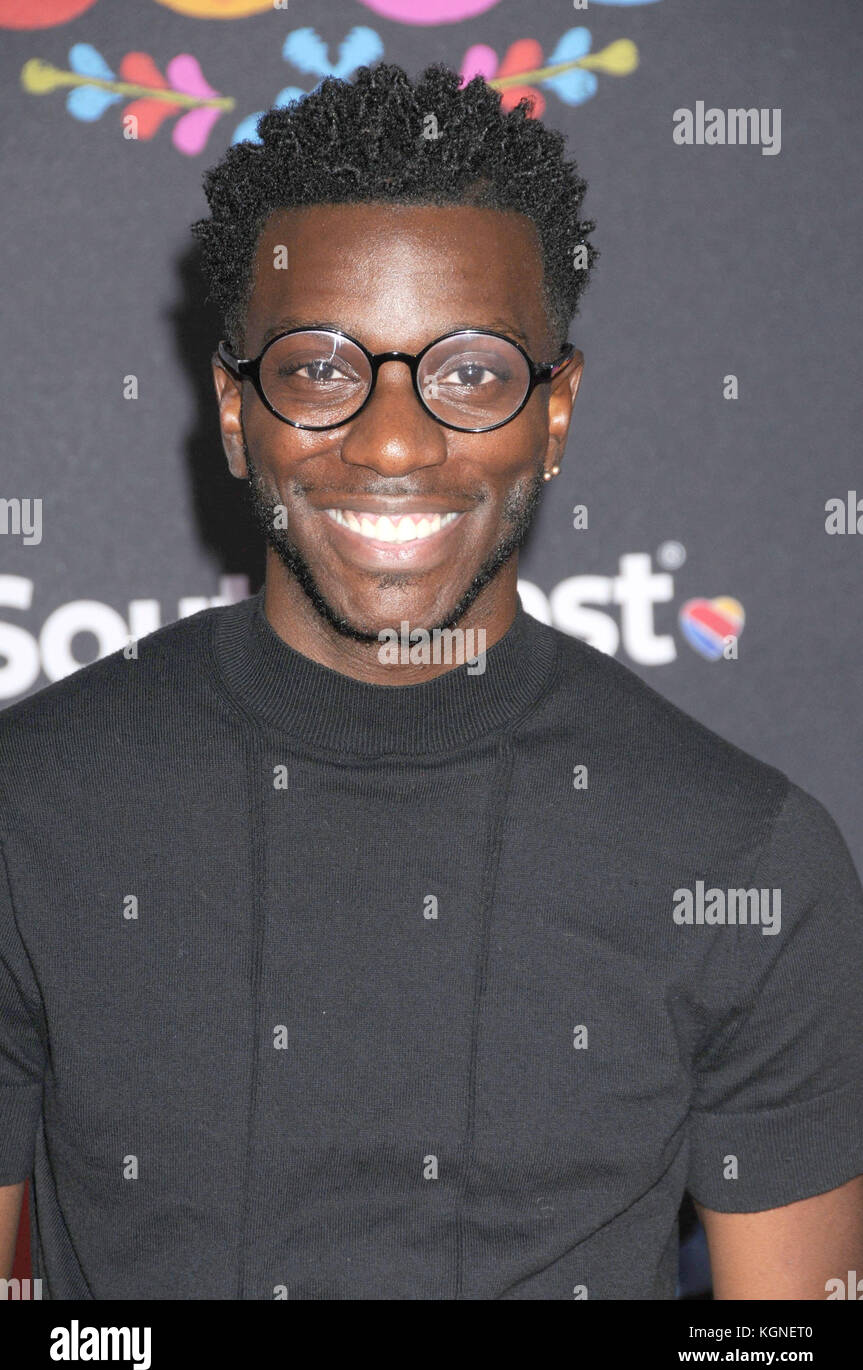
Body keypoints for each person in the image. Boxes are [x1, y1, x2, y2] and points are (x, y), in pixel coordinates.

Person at [1, 63, 861, 1301]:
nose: (392, 441)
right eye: (317, 368)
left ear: (554, 412)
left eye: (468, 372)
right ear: (235, 413)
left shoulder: (742, 861)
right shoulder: (30, 809)